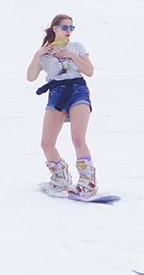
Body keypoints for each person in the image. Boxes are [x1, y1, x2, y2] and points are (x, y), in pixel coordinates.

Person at [26, 14, 98, 198]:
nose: (68, 31)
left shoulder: (77, 47)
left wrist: (72, 55)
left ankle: (88, 182)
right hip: (56, 93)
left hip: (77, 90)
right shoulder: (46, 52)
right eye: (65, 27)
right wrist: (37, 54)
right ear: (55, 28)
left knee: (78, 138)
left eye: (71, 28)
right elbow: (31, 77)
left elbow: (89, 71)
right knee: (46, 143)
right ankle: (60, 179)